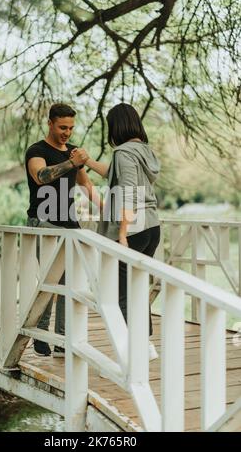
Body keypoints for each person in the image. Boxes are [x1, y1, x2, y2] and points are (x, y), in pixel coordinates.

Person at [72, 103, 160, 360]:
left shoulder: (123, 152)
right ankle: (144, 344)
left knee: (118, 293)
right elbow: (114, 174)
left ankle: (135, 351)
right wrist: (87, 161)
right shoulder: (144, 151)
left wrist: (122, 234)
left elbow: (129, 193)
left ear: (116, 126)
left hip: (132, 229)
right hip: (151, 226)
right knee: (137, 288)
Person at [25, 103, 99, 357]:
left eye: (71, 127)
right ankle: (41, 335)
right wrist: (71, 162)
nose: (67, 132)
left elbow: (87, 184)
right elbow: (41, 177)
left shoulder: (73, 152)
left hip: (69, 223)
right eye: (62, 127)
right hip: (43, 221)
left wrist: (111, 209)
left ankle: (63, 339)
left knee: (71, 282)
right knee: (50, 280)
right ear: (50, 124)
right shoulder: (37, 150)